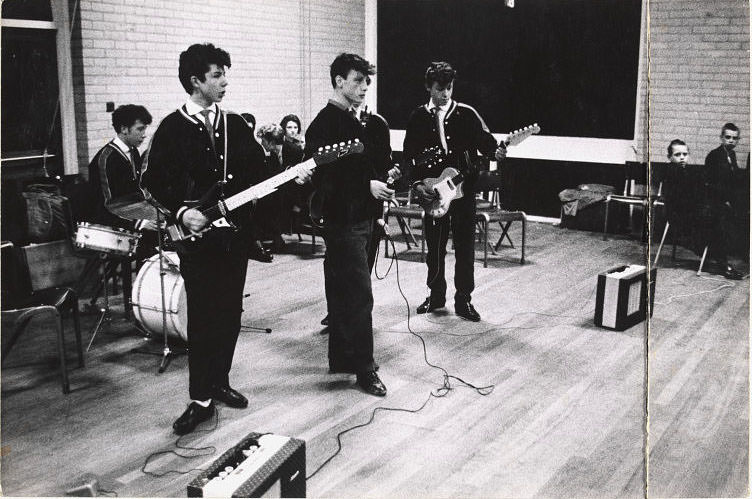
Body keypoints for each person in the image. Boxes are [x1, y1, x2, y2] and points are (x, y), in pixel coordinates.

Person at [140, 43, 267, 435]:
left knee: (231, 315)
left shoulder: (236, 125)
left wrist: (293, 175)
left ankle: (220, 381)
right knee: (204, 318)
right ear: (196, 81)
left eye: (226, 73)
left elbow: (258, 173)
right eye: (217, 75)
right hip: (195, 243)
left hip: (235, 240)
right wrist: (181, 212)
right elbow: (151, 183)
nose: (225, 81)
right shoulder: (171, 128)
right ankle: (200, 398)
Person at [303, 53, 393, 396]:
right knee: (358, 295)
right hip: (343, 221)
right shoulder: (324, 124)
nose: (364, 86)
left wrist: (381, 183)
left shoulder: (362, 122)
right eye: (357, 80)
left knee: (343, 291)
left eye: (367, 80)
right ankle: (365, 369)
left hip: (364, 217)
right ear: (339, 81)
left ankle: (343, 358)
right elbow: (322, 181)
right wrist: (364, 186)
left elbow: (367, 168)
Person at [403, 61, 506, 321]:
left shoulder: (467, 114)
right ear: (429, 87)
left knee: (464, 249)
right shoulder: (418, 117)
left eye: (449, 88)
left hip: (464, 194)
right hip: (432, 195)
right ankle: (436, 296)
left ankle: (464, 300)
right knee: (435, 249)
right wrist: (417, 186)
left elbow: (489, 146)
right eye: (440, 88)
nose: (446, 94)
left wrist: (498, 152)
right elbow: (409, 158)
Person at [87, 104, 158, 315]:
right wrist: (142, 223)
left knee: (168, 228)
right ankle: (142, 305)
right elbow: (108, 206)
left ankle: (153, 301)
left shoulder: (133, 153)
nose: (144, 135)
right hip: (107, 221)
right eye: (140, 129)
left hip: (130, 216)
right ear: (124, 129)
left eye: (145, 129)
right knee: (154, 240)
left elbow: (137, 194)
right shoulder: (106, 158)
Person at [702, 124, 745, 279]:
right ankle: (722, 263)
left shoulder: (731, 155)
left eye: (734, 138)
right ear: (721, 138)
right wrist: (725, 200)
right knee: (722, 221)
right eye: (728, 137)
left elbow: (733, 180)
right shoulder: (714, 155)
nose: (731, 141)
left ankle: (742, 256)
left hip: (725, 201)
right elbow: (710, 184)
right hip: (712, 202)